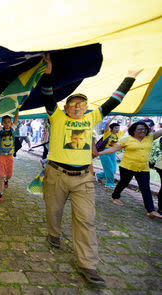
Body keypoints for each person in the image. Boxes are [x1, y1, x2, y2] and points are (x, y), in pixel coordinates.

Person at [40, 53, 142, 286]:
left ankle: (88, 264)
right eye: (73, 103)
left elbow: (114, 101)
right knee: (53, 211)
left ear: (86, 107)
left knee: (86, 219)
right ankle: (53, 234)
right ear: (66, 107)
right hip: (56, 174)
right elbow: (47, 94)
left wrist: (130, 77)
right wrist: (48, 72)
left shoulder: (92, 117)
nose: (77, 106)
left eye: (81, 103)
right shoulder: (56, 117)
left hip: (83, 178)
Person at [99, 121, 162, 218]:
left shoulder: (150, 137)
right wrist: (99, 153)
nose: (143, 131)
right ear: (133, 130)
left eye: (144, 129)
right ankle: (114, 197)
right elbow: (113, 149)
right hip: (127, 166)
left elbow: (160, 131)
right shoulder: (126, 139)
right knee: (123, 183)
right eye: (139, 129)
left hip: (143, 168)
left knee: (145, 188)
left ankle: (150, 210)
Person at [0, 100, 19, 202]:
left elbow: (16, 118)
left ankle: (7, 180)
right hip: (1, 156)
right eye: (5, 122)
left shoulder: (12, 130)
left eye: (9, 122)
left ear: (10, 123)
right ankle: (0, 193)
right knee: (1, 175)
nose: (7, 123)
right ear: (2, 123)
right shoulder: (0, 131)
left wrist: (18, 107)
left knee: (9, 175)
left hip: (9, 156)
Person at [95, 117, 127, 188]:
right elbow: (107, 123)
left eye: (118, 128)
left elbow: (128, 126)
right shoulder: (107, 133)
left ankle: (98, 175)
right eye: (116, 128)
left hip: (113, 152)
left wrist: (130, 118)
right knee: (109, 168)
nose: (117, 129)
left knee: (114, 170)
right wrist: (114, 116)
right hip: (104, 152)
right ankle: (109, 184)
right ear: (111, 128)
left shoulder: (119, 134)